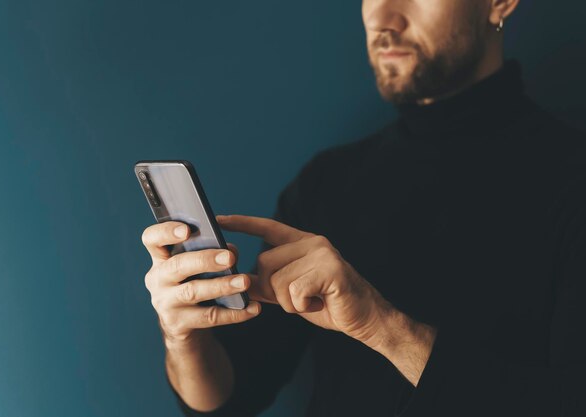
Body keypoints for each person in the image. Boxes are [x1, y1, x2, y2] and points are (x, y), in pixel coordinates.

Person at [140, 0, 586, 415]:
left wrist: (382, 328)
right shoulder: (327, 180)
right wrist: (183, 336)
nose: (383, 20)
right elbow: (233, 397)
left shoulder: (570, 178)